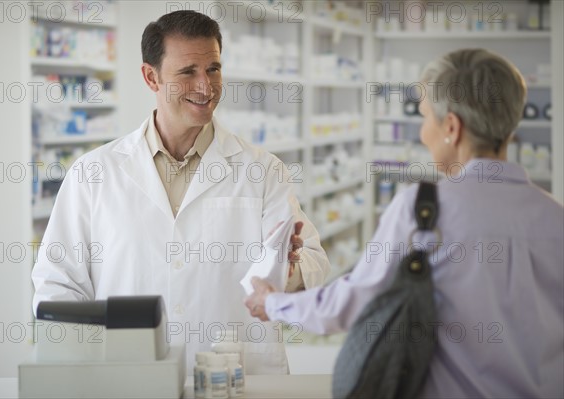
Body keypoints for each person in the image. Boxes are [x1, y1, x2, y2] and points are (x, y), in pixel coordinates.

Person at [246, 48, 564, 397]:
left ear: (452, 128)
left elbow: (356, 302)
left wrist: (274, 303)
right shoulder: (554, 217)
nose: (423, 133)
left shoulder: (424, 210)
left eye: (425, 117)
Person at [32, 10, 330, 375]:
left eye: (214, 69)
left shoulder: (262, 170)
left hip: (237, 377)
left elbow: (314, 260)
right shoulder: (93, 173)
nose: (205, 86)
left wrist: (289, 271)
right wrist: (86, 369)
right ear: (151, 77)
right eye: (188, 72)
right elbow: (57, 284)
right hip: (129, 377)